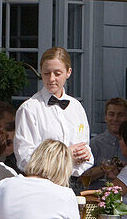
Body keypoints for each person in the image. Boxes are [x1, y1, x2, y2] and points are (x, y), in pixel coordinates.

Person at [13, 47, 92, 180]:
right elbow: (24, 158)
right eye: (46, 73)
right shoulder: (29, 109)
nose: (51, 79)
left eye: (57, 73)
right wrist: (65, 155)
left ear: (68, 72)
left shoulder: (76, 107)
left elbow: (85, 148)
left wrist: (85, 154)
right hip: (42, 182)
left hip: (72, 182)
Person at [90, 97, 127, 168]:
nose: (115, 119)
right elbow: (83, 176)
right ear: (105, 117)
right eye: (111, 114)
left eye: (120, 115)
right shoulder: (94, 144)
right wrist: (106, 168)